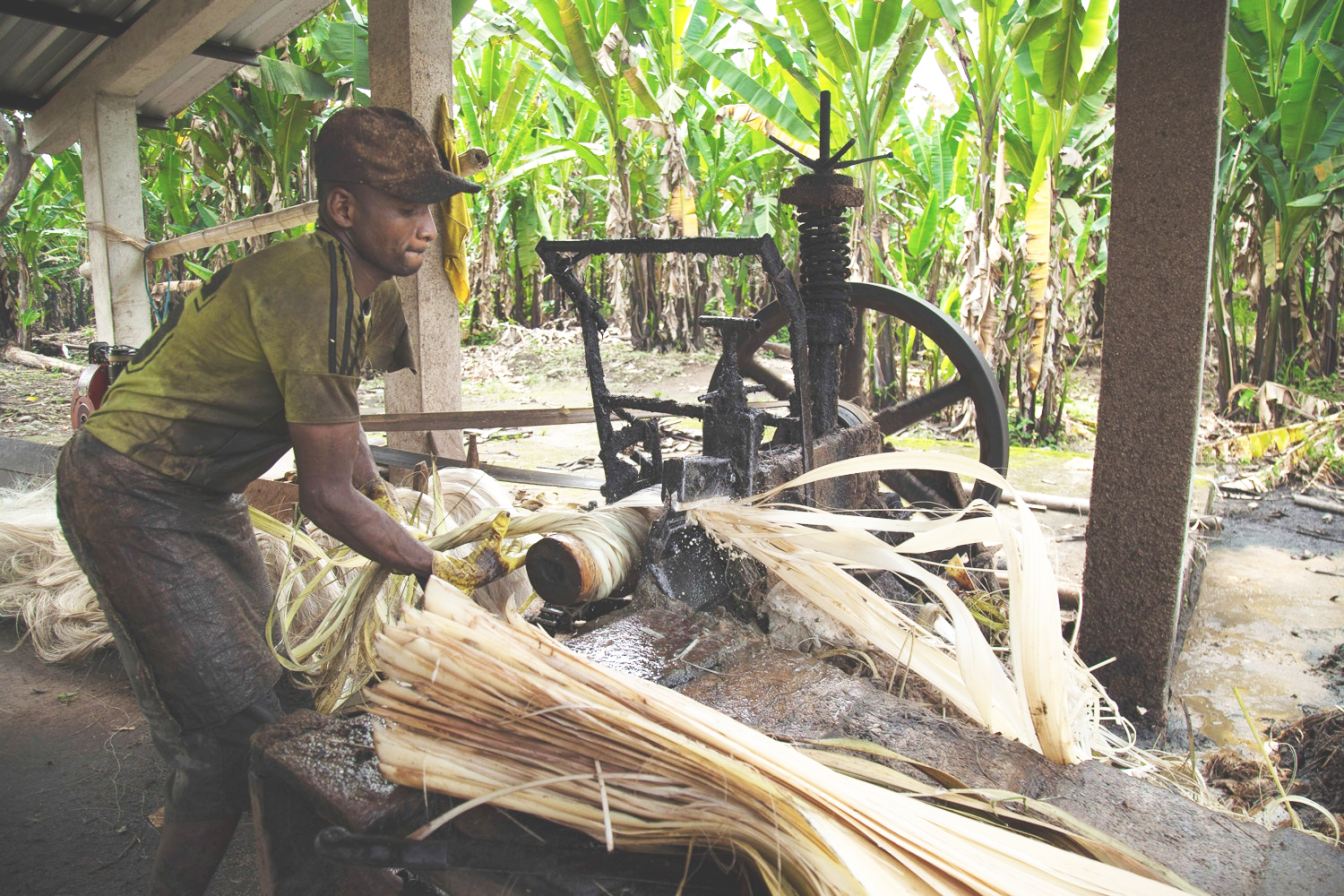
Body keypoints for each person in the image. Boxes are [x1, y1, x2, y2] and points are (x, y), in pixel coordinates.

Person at [56, 106, 479, 896]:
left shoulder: (371, 294)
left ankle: (313, 876)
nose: (425, 228)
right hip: (129, 488)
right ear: (344, 207)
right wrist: (435, 568)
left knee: (276, 700)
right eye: (405, 208)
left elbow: (340, 428)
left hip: (200, 496)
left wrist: (384, 497)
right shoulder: (306, 285)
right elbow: (322, 498)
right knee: (231, 733)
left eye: (431, 209)